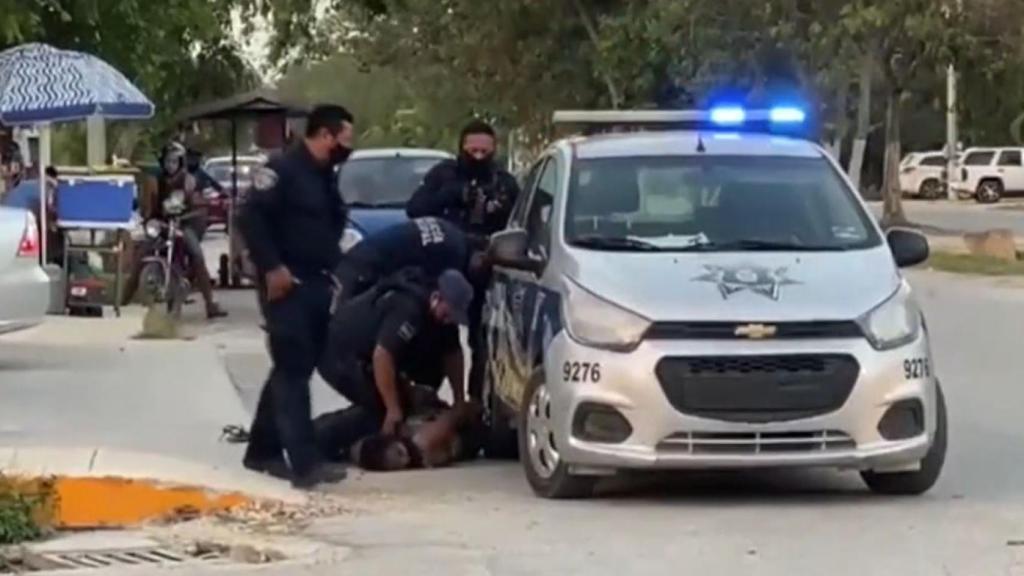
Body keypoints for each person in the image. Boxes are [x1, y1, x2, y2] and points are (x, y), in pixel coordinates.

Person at [237, 104, 355, 489]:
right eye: (344, 140)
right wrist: (272, 267)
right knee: (292, 369)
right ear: (324, 135)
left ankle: (261, 451)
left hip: (316, 282)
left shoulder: (323, 175)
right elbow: (249, 217)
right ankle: (305, 464)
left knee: (294, 366)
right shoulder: (282, 170)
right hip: (286, 284)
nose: (347, 148)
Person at [405, 119, 521, 401]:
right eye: (472, 151)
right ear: (461, 149)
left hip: (485, 266)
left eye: (485, 151)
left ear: (494, 150)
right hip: (445, 264)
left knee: (483, 340)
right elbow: (415, 208)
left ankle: (477, 402)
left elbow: (521, 222)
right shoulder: (443, 175)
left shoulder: (504, 182)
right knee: (435, 333)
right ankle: (425, 397)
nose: (478, 157)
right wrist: (451, 195)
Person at [317, 268, 474, 449]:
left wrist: (459, 400)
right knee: (384, 412)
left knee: (408, 400)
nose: (450, 320)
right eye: (448, 314)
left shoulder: (443, 316)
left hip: (371, 355)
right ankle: (316, 437)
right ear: (436, 297)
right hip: (338, 353)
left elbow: (453, 353)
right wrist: (392, 408)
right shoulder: (409, 308)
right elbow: (383, 355)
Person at [150, 141, 227, 319]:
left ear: (181, 163)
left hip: (183, 225)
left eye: (174, 161)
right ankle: (122, 298)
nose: (170, 165)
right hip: (162, 225)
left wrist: (196, 207)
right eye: (167, 161)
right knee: (142, 252)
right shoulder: (156, 180)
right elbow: (151, 205)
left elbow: (197, 201)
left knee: (197, 255)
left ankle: (210, 304)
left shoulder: (189, 180)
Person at [331, 216, 475, 306]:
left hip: (360, 256)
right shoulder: (455, 254)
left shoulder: (450, 231)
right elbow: (435, 296)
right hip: (366, 268)